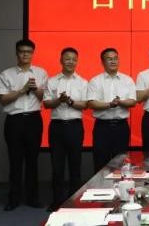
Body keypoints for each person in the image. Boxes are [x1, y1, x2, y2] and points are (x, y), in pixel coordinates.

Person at [0, 39, 48, 211]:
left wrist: (35, 89)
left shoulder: (41, 73)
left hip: (34, 120)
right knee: (15, 160)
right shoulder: (6, 74)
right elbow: (2, 99)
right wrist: (22, 90)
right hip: (14, 121)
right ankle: (13, 199)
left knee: (32, 160)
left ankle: (33, 198)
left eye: (28, 51)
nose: (25, 54)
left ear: (33, 53)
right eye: (22, 51)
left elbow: (45, 99)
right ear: (16, 53)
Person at [43, 47, 88, 212]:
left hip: (75, 127)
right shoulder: (52, 81)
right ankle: (57, 201)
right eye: (67, 58)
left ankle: (73, 201)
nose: (71, 62)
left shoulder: (83, 82)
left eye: (74, 59)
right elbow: (46, 103)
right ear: (61, 61)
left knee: (75, 165)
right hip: (57, 127)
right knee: (57, 167)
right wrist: (59, 100)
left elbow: (85, 105)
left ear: (77, 62)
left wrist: (69, 101)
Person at [87, 48, 137, 173]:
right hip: (102, 128)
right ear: (102, 62)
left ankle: (120, 186)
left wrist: (120, 102)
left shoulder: (127, 80)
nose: (113, 61)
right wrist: (110, 104)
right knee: (100, 162)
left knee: (120, 165)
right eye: (109, 59)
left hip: (121, 127)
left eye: (115, 58)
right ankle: (100, 185)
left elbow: (133, 101)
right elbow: (91, 103)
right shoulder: (95, 81)